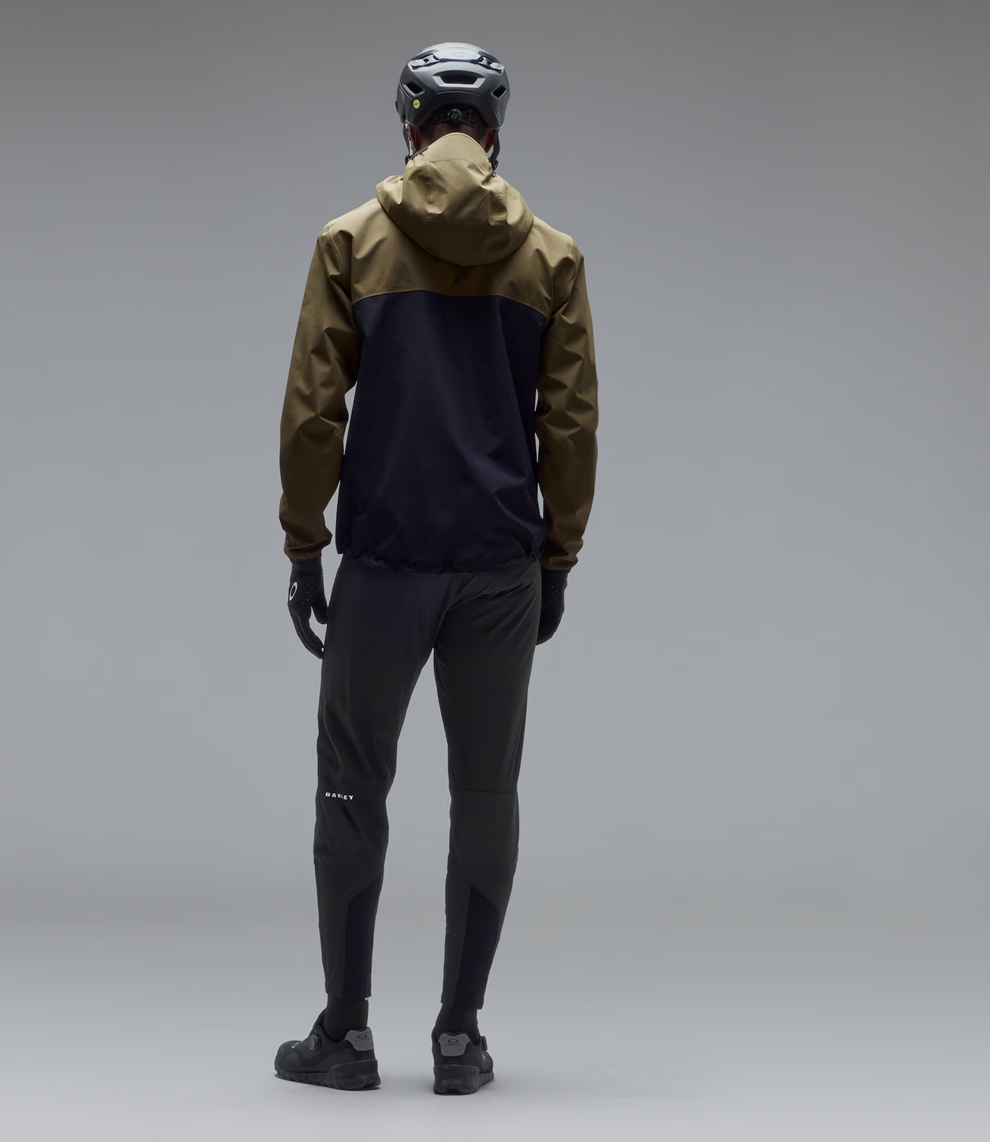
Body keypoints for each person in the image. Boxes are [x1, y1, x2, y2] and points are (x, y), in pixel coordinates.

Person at [274, 40, 598, 1094]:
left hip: (383, 562)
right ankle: (459, 1038)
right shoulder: (551, 258)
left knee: (349, 786)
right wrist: (557, 556)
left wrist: (304, 542)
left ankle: (344, 1034)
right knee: (486, 791)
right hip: (499, 567)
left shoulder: (349, 243)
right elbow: (571, 427)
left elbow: (313, 413)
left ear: (409, 130)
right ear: (492, 135)